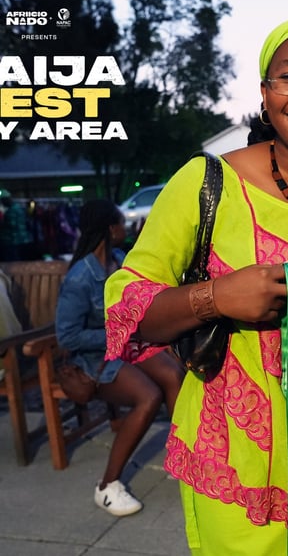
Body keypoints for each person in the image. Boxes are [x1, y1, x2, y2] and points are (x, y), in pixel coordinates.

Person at [104, 0, 288, 555]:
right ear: (265, 94)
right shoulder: (207, 182)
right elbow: (129, 306)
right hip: (244, 475)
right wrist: (215, 296)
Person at [55, 199, 185, 517]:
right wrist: (116, 331)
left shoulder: (118, 259)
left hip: (126, 347)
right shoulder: (79, 278)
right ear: (109, 229)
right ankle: (107, 486)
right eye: (119, 224)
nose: (123, 229)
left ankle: (182, 458)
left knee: (175, 373)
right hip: (96, 360)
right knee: (149, 396)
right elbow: (67, 337)